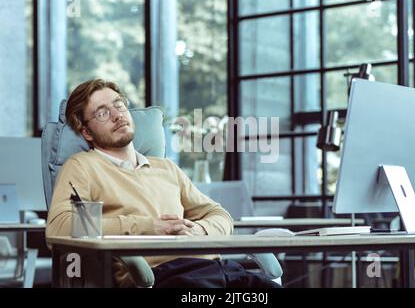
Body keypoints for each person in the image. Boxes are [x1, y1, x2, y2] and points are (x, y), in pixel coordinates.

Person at [46, 79, 281, 288]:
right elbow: (61, 227)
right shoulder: (83, 166)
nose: (117, 114)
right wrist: (150, 227)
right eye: (102, 113)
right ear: (86, 132)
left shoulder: (165, 168)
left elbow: (219, 214)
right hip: (164, 276)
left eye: (118, 104)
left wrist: (199, 230)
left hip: (224, 270)